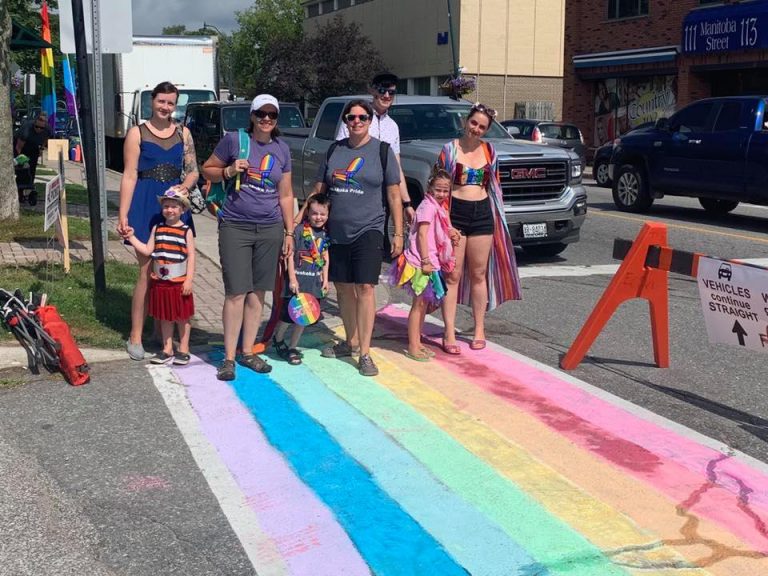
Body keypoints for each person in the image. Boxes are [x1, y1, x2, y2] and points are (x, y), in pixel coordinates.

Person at [201, 94, 295, 381]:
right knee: (236, 292)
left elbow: (287, 195)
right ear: (252, 115)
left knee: (258, 293)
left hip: (270, 228)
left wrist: (289, 232)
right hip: (236, 226)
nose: (267, 119)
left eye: (272, 115)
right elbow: (207, 169)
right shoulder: (235, 140)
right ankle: (228, 358)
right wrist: (229, 170)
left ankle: (248, 352)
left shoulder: (282, 148)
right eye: (261, 114)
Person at [312, 99, 404, 377]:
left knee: (364, 288)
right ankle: (349, 341)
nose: (356, 122)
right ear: (345, 121)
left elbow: (394, 194)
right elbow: (320, 190)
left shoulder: (383, 151)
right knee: (342, 288)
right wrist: (301, 221)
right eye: (351, 118)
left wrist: (398, 232)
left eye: (362, 117)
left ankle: (364, 352)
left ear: (370, 121)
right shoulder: (334, 151)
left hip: (370, 228)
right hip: (337, 230)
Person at [117, 81, 199, 361]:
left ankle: (163, 333)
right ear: (152, 101)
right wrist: (123, 214)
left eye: (171, 103)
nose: (165, 107)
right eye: (161, 101)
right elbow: (129, 175)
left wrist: (182, 189)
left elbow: (192, 172)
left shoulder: (183, 133)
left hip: (174, 206)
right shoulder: (136, 134)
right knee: (145, 273)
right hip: (144, 202)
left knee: (172, 272)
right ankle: (136, 335)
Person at [436, 103, 521, 354]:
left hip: (482, 213)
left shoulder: (490, 151)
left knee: (479, 273)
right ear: (466, 122)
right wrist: (444, 223)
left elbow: (495, 187)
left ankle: (479, 328)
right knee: (452, 274)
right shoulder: (449, 150)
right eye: (473, 123)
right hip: (456, 213)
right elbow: (439, 188)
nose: (476, 129)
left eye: (482, 127)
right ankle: (449, 331)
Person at [388, 168, 458, 361]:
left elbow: (439, 230)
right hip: (421, 262)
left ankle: (417, 342)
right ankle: (412, 345)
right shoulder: (428, 207)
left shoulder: (438, 206)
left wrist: (451, 232)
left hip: (429, 260)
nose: (442, 194)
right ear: (430, 187)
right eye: (438, 189)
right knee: (418, 305)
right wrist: (426, 261)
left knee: (423, 304)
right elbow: (422, 234)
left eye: (446, 190)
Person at [122, 189, 196, 365]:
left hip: (179, 281)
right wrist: (131, 237)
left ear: (182, 209)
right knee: (165, 316)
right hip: (161, 282)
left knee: (182, 316)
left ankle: (184, 349)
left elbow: (191, 256)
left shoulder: (186, 231)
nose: (169, 210)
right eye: (166, 206)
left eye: (174, 207)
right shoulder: (158, 228)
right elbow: (148, 250)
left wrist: (189, 279)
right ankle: (167, 348)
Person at [336, 72, 415, 226]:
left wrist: (407, 203)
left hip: (382, 198)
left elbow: (396, 168)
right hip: (356, 192)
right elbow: (341, 155)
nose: (386, 95)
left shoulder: (392, 126)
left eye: (391, 92)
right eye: (382, 91)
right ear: (372, 91)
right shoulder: (356, 119)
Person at [272, 193, 331, 366]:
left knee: (304, 317)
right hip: (297, 283)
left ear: (328, 214)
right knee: (288, 316)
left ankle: (293, 347)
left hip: (313, 283)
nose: (318, 217)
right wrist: (292, 278)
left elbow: (325, 256)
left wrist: (325, 279)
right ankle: (278, 337)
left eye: (322, 214)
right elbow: (289, 255)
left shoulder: (325, 234)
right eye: (314, 213)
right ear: (307, 213)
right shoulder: (299, 231)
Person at [14, 111, 50, 185]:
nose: (39, 129)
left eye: (41, 128)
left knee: (32, 168)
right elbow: (18, 147)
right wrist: (22, 160)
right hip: (21, 146)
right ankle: (19, 185)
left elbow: (46, 138)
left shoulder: (47, 129)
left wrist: (41, 149)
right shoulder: (27, 129)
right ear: (34, 123)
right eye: (37, 127)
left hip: (34, 146)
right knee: (22, 168)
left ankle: (30, 185)